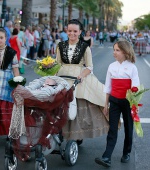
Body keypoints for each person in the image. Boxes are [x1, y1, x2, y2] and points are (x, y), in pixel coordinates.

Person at [56, 19, 109, 144]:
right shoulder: (60, 46)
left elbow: (90, 67)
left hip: (78, 78)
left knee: (76, 105)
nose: (72, 33)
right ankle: (61, 132)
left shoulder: (85, 47)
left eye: (75, 31)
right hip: (62, 78)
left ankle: (77, 135)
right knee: (60, 105)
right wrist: (52, 77)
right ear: (66, 31)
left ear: (80, 32)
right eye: (70, 31)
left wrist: (81, 75)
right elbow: (57, 64)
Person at [95, 39, 140, 167]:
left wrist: (134, 103)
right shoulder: (111, 66)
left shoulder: (132, 67)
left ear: (125, 52)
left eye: (117, 50)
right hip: (114, 101)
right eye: (114, 50)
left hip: (127, 102)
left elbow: (135, 86)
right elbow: (108, 86)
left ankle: (126, 152)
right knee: (112, 129)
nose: (114, 52)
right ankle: (107, 156)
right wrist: (105, 104)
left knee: (128, 128)